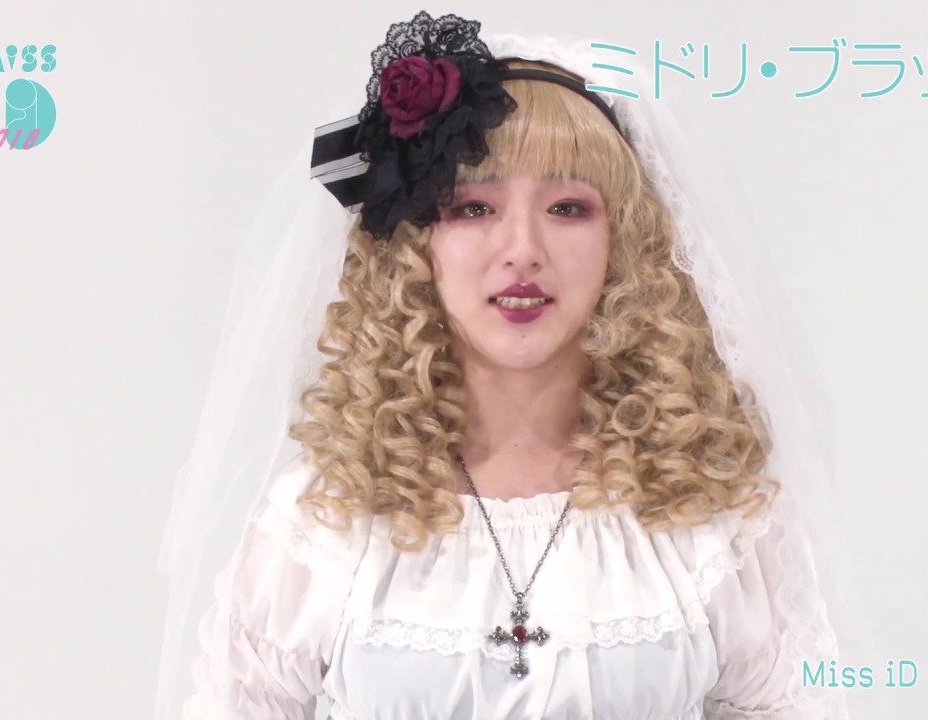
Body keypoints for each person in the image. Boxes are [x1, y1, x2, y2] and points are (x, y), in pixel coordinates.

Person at [154, 11, 873, 720]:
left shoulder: (703, 507)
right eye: (473, 209)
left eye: (567, 207)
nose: (523, 249)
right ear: (416, 246)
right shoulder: (328, 516)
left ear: (625, 240)